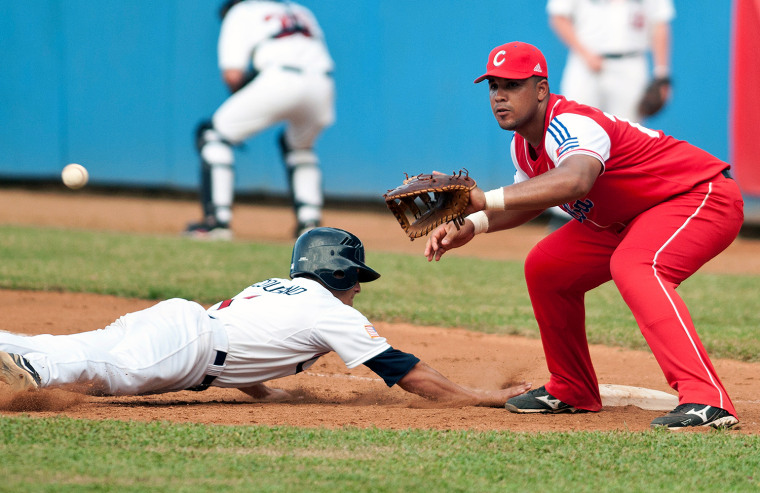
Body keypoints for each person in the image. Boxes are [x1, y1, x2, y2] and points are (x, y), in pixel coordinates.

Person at [424, 42, 744, 430]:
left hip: (698, 195)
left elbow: (575, 180)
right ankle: (571, 388)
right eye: (493, 86)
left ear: (541, 89)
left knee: (636, 266)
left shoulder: (571, 123)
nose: (500, 96)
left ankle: (707, 400)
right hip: (630, 216)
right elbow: (532, 198)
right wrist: (473, 224)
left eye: (512, 84)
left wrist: (482, 199)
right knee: (547, 268)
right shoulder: (522, 146)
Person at [0, 227, 530, 408]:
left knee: (79, 345)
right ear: (342, 276)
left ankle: (13, 347)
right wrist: (481, 396)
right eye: (355, 279)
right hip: (187, 347)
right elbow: (407, 372)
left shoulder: (276, 289)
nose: (356, 290)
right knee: (97, 372)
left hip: (181, 326)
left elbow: (246, 343)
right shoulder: (329, 310)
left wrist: (268, 393)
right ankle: (27, 369)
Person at [185, 0, 336, 240]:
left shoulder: (242, 10)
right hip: (323, 85)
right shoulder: (299, 10)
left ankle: (218, 224)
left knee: (213, 135)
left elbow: (233, 76)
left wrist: (250, 97)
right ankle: (310, 225)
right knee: (300, 148)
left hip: (279, 78)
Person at [544, 0, 675, 229]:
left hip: (631, 63)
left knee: (630, 140)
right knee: (572, 134)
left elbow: (660, 22)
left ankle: (625, 214)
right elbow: (558, 16)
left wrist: (662, 74)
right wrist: (584, 52)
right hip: (585, 63)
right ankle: (563, 216)